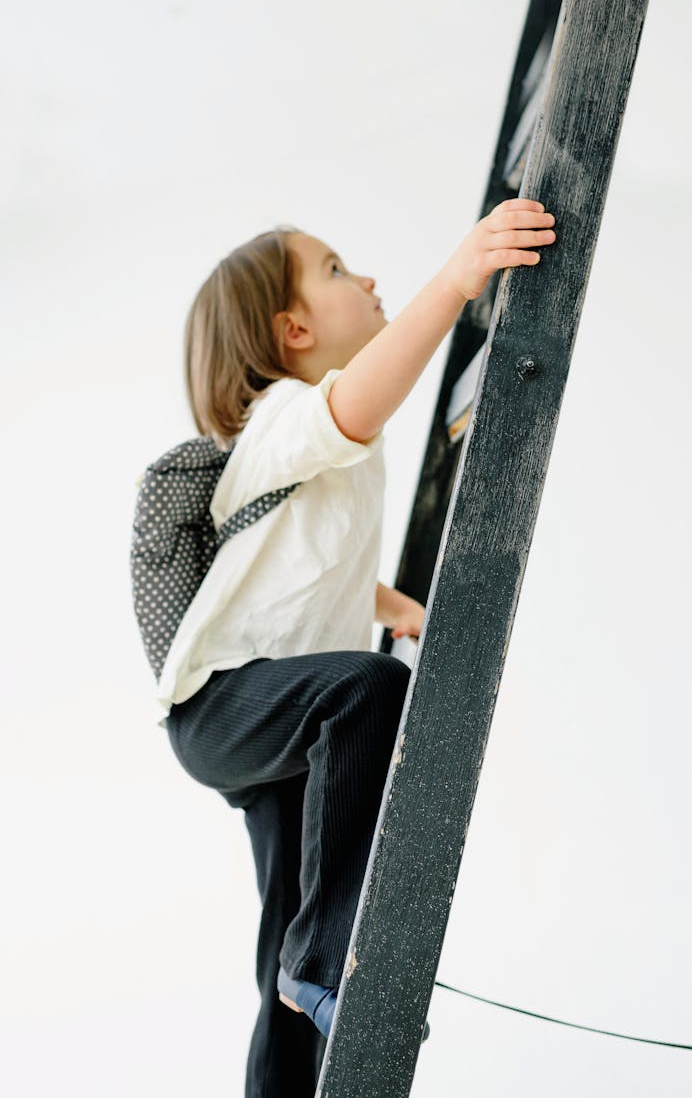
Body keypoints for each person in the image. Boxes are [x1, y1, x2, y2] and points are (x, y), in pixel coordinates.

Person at [161, 198, 557, 1096]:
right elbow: (363, 395)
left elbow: (291, 565)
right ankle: (330, 961)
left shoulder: (308, 454)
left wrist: (388, 601)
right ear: (293, 328)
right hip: (223, 704)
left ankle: (299, 1015)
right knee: (368, 691)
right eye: (337, 269)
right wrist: (457, 280)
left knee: (283, 942)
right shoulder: (284, 416)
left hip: (272, 722)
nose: (367, 277)